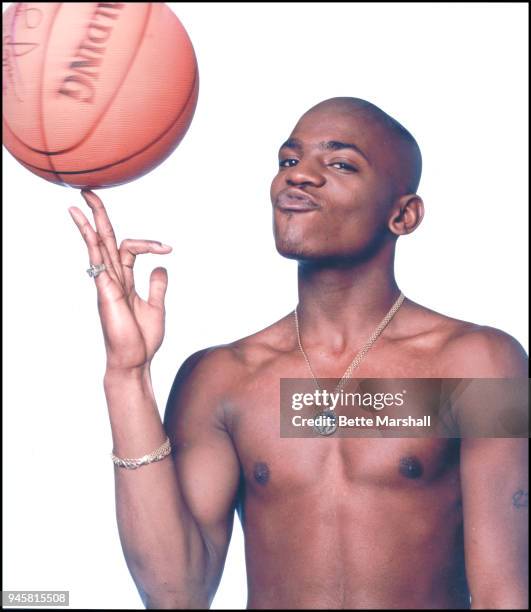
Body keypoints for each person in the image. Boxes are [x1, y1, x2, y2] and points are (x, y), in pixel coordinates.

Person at [69, 97, 528, 609]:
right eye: (289, 160)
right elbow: (176, 592)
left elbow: (504, 594)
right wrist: (127, 374)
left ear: (403, 214)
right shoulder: (222, 380)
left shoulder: (480, 365)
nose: (299, 176)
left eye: (340, 163)